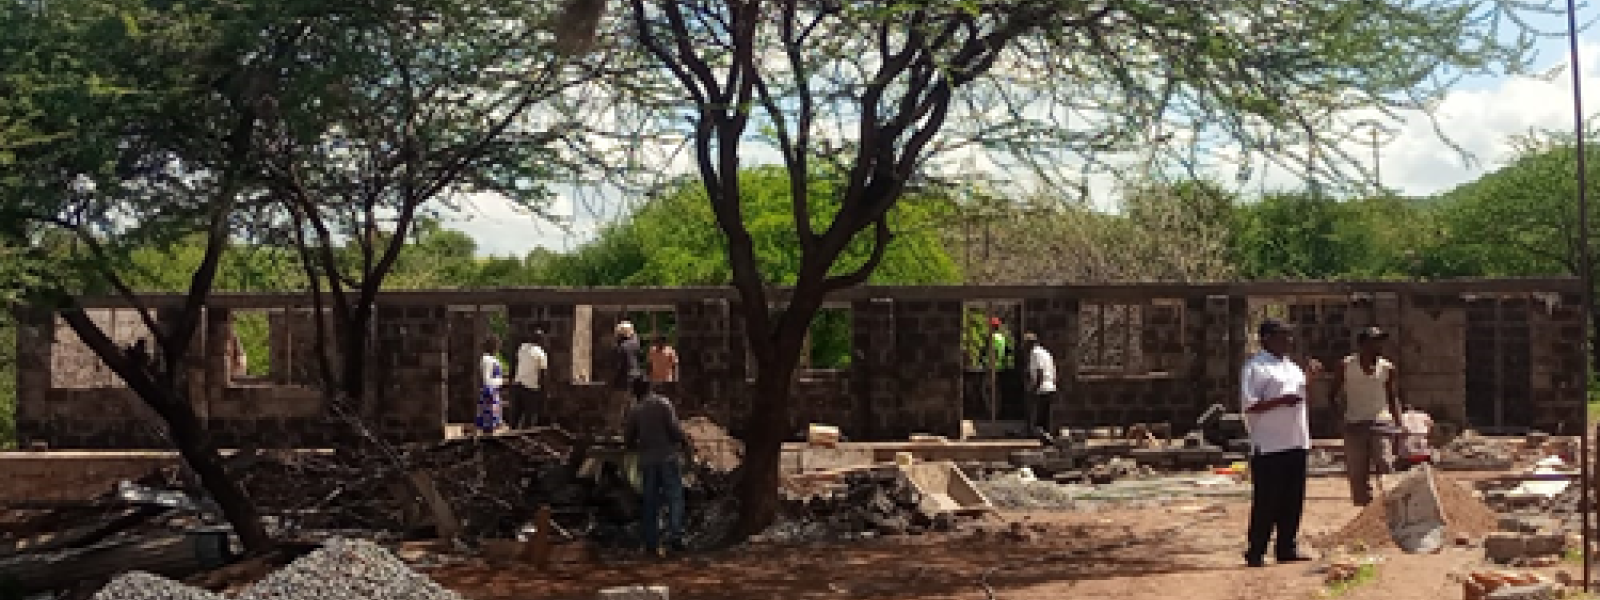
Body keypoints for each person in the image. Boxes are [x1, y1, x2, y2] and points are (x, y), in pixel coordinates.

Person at [1240, 319, 1313, 567]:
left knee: (1293, 499)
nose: (1288, 341)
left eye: (1289, 336)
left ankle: (1286, 547)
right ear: (1266, 338)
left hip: (1296, 441)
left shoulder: (1292, 367)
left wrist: (1309, 378)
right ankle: (1256, 550)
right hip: (1269, 444)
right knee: (1267, 500)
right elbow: (1250, 405)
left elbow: (1300, 394)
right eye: (1282, 336)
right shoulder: (1256, 367)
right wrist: (1281, 401)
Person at [1326, 327, 1402, 505]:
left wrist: (1400, 423)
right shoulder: (1346, 366)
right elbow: (1332, 395)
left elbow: (1392, 396)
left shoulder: (1387, 368)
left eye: (1380, 341)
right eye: (1374, 341)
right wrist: (1339, 419)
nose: (1379, 346)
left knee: (1385, 466)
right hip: (1354, 424)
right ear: (1362, 344)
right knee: (1357, 473)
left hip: (1381, 423)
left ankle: (1389, 507)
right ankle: (1365, 515)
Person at [624, 378, 690, 557]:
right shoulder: (663, 404)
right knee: (674, 498)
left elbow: (628, 439)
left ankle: (651, 542)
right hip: (668, 458)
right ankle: (675, 536)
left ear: (636, 392)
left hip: (648, 461)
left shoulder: (635, 411)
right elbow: (675, 431)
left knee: (650, 502)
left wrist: (636, 444)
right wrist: (684, 444)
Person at [509, 329, 549, 429]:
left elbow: (516, 363)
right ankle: (526, 439)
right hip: (530, 388)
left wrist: (511, 380)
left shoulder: (522, 347)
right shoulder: (541, 354)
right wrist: (544, 392)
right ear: (541, 340)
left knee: (515, 416)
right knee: (529, 416)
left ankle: (512, 435)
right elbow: (543, 375)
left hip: (518, 385)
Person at [612, 321, 644, 431]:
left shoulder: (622, 347)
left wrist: (612, 380)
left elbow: (618, 366)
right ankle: (633, 430)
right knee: (632, 407)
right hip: (637, 380)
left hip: (623, 381)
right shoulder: (635, 344)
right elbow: (640, 357)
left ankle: (616, 430)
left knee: (618, 408)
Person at [1023, 332, 1057, 435]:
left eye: (1026, 343)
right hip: (1050, 387)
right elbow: (1053, 370)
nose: (1024, 347)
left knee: (1039, 420)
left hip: (1042, 388)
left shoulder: (1035, 353)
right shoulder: (1045, 352)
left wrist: (1034, 389)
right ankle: (1047, 442)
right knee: (1046, 419)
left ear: (1030, 343)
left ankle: (1043, 438)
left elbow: (1040, 372)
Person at [477, 336, 507, 434]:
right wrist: (501, 382)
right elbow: (486, 379)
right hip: (489, 392)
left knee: (492, 421)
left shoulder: (491, 359)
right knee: (489, 421)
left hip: (493, 391)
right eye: (497, 346)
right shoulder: (487, 360)